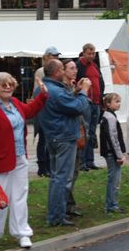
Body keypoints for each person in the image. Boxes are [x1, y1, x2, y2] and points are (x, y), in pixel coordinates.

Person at [0, 72, 48, 250]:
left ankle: (22, 233)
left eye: (10, 84)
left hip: (20, 158)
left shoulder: (16, 103)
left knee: (19, 197)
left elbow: (30, 111)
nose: (8, 87)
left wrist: (42, 95)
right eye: (3, 85)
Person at [38, 59, 91, 227]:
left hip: (52, 136)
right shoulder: (57, 91)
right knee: (61, 178)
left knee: (56, 177)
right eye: (62, 69)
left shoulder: (44, 88)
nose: (64, 72)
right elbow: (78, 107)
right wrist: (84, 91)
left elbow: (62, 104)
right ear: (56, 72)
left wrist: (75, 91)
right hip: (64, 137)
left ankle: (55, 214)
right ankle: (56, 217)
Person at [63, 59, 90, 218]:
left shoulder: (71, 87)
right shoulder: (62, 88)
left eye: (75, 68)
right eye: (71, 68)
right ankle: (64, 205)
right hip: (69, 135)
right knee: (67, 172)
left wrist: (78, 89)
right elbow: (77, 106)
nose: (75, 71)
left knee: (74, 171)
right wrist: (83, 91)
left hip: (79, 132)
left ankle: (69, 203)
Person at [76, 43, 104, 171]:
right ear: (83, 53)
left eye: (93, 53)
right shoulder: (79, 66)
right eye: (89, 53)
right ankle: (82, 162)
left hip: (96, 102)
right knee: (85, 131)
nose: (91, 56)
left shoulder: (95, 65)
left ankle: (90, 160)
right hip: (86, 102)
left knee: (92, 131)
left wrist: (101, 98)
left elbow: (100, 82)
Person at [33, 46, 61, 177]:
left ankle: (48, 166)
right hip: (43, 107)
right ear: (47, 56)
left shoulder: (53, 70)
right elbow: (38, 90)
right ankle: (42, 166)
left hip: (49, 107)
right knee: (43, 139)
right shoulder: (41, 71)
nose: (56, 58)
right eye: (54, 56)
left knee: (47, 138)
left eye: (57, 56)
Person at [99, 93, 126, 213]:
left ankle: (111, 204)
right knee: (114, 180)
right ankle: (112, 205)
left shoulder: (109, 116)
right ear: (108, 104)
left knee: (114, 179)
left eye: (119, 101)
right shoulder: (110, 118)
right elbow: (113, 138)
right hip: (112, 153)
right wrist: (119, 155)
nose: (119, 104)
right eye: (116, 101)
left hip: (110, 152)